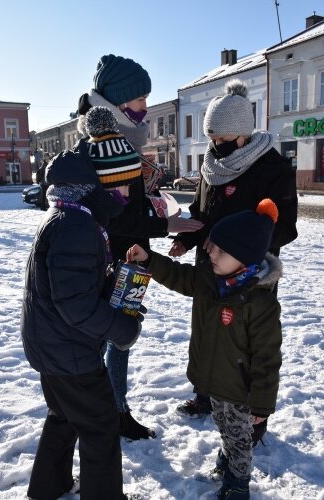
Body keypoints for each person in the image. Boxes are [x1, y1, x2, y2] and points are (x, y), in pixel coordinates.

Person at [76, 57, 204, 441]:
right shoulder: (104, 149)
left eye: (147, 98)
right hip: (112, 259)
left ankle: (110, 409)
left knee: (120, 336)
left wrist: (155, 207)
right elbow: (115, 217)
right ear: (115, 103)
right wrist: (166, 223)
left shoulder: (122, 142)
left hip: (131, 256)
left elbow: (129, 209)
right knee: (110, 337)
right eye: (138, 99)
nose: (145, 108)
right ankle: (104, 411)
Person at [127, 199, 283, 500]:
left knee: (239, 439)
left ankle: (238, 485)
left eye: (220, 251)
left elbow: (267, 358)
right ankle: (229, 460)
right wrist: (149, 259)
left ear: (245, 259)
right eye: (212, 246)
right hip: (214, 382)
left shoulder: (259, 303)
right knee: (225, 427)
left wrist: (262, 405)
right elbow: (178, 276)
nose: (210, 253)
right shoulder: (210, 279)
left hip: (241, 390)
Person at [169, 79, 297, 431]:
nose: (215, 146)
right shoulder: (211, 167)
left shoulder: (273, 170)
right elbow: (201, 211)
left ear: (243, 134)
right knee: (208, 330)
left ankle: (254, 413)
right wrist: (188, 241)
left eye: (222, 141)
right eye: (211, 139)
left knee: (248, 342)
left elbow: (284, 226)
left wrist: (245, 249)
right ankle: (206, 392)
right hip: (209, 265)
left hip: (247, 275)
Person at [20, 149, 144, 500]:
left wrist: (113, 289)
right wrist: (123, 329)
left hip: (52, 345)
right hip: (69, 352)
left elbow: (69, 287)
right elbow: (74, 304)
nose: (123, 196)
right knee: (101, 427)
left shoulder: (67, 217)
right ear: (93, 187)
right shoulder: (76, 226)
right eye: (117, 188)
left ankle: (49, 485)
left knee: (63, 416)